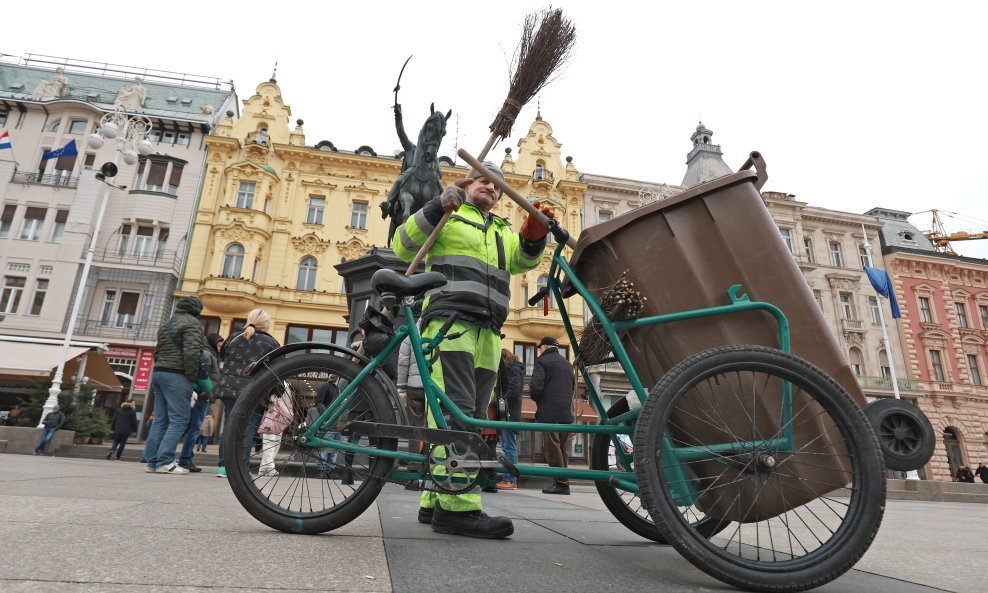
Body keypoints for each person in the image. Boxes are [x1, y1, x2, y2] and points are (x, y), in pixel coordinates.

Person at [392, 161, 553, 539]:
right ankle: (459, 508)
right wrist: (436, 207)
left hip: (488, 332)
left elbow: (523, 260)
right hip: (451, 324)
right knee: (456, 415)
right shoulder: (450, 213)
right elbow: (403, 245)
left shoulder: (500, 229)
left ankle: (435, 499)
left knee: (470, 417)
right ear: (467, 183)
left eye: (498, 188)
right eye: (486, 182)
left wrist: (533, 235)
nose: (493, 191)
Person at [141, 296, 208, 475]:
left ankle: (152, 461)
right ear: (197, 309)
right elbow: (192, 352)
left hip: (159, 372)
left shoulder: (167, 324)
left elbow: (158, 350)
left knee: (160, 420)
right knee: (179, 419)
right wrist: (192, 378)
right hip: (177, 375)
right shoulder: (193, 324)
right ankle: (166, 461)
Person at [214, 309, 280, 478]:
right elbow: (278, 368)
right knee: (247, 429)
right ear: (266, 324)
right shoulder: (270, 343)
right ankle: (241, 468)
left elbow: (223, 357)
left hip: (230, 389)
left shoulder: (233, 338)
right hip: (254, 392)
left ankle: (224, 467)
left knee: (230, 427)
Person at [530, 336, 575, 495]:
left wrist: (536, 398)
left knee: (552, 449)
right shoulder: (568, 365)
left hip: (549, 412)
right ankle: (564, 482)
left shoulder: (542, 362)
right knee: (562, 449)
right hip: (565, 412)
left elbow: (536, 387)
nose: (539, 350)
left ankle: (561, 484)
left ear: (545, 346)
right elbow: (572, 389)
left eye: (540, 347)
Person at [177, 332, 223, 472]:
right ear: (212, 342)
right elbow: (203, 375)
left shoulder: (211, 353)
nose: (221, 345)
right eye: (219, 342)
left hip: (204, 395)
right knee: (194, 429)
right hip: (203, 396)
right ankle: (185, 460)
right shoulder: (207, 354)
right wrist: (207, 393)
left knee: (193, 428)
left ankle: (186, 458)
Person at [496, 349, 525, 490]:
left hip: (509, 414)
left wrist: (502, 399)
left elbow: (514, 390)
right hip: (509, 413)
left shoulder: (514, 370)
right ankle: (509, 479)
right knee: (508, 447)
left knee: (509, 447)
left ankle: (510, 480)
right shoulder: (515, 369)